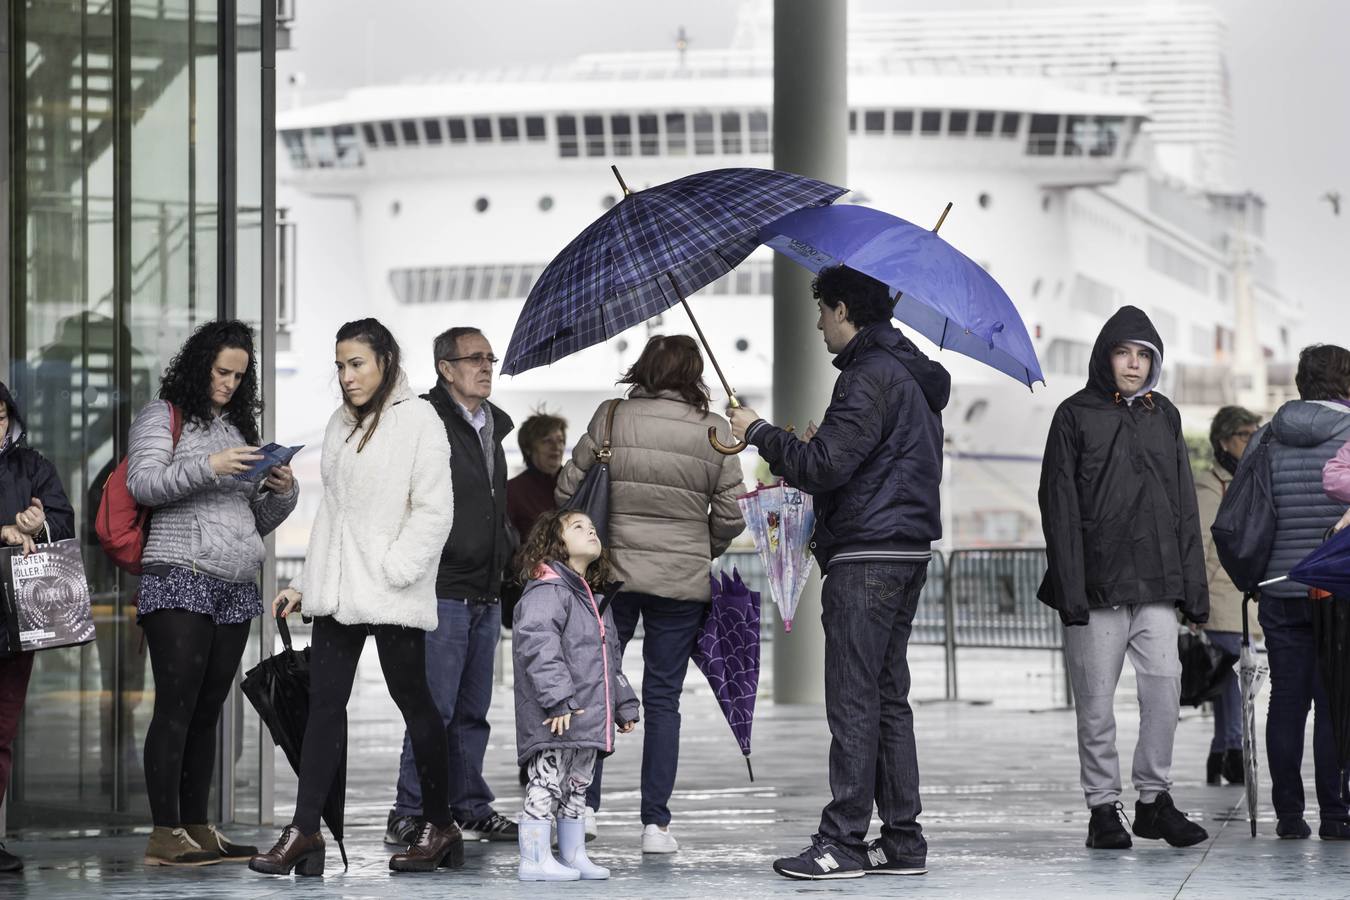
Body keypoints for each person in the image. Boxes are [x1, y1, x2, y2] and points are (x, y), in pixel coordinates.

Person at [728, 265, 947, 881]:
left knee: (853, 699)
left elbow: (825, 467)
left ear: (845, 310)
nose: (820, 324)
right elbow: (853, 458)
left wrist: (759, 433)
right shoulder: (906, 374)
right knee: (886, 698)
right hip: (905, 550)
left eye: (824, 311)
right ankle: (902, 841)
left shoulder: (869, 376)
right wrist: (816, 447)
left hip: (866, 555)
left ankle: (843, 842)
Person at [251, 318, 460, 876]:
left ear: (386, 360)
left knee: (415, 704)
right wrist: (306, 585)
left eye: (357, 364)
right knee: (323, 707)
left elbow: (435, 510)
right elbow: (333, 515)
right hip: (340, 591)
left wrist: (395, 569)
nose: (346, 377)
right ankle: (305, 831)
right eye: (340, 366)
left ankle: (439, 823)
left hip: (392, 588)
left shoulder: (420, 421)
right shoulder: (339, 424)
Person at [558, 334, 744, 853]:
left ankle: (583, 808)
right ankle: (655, 827)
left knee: (594, 687)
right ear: (693, 374)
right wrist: (694, 550)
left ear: (642, 369)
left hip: (610, 576)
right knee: (663, 700)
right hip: (680, 585)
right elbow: (730, 516)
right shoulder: (716, 431)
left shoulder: (612, 416)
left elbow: (566, 493)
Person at [125, 320, 298, 866]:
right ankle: (163, 832)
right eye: (221, 371)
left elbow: (250, 518)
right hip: (178, 571)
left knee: (207, 711)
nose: (228, 383)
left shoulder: (237, 427)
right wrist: (211, 466)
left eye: (238, 375)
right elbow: (144, 482)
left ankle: (198, 828)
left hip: (232, 583)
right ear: (200, 364)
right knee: (175, 707)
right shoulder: (162, 416)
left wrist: (282, 491)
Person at [1038, 306, 1209, 851]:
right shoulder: (1072, 415)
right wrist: (1070, 588)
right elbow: (1057, 503)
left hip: (1157, 584)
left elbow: (1184, 503)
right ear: (1104, 356)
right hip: (1096, 586)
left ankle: (1153, 801)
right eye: (1124, 352)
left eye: (1144, 355)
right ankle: (1102, 808)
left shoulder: (1166, 415)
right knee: (1095, 701)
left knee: (1165, 691)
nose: (1134, 364)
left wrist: (1193, 590)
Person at [385, 326, 518, 848]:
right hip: (440, 588)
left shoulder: (493, 426)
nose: (486, 366)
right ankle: (410, 809)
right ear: (446, 368)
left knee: (471, 712)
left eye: (490, 357)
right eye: (474, 358)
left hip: (486, 589)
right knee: (432, 709)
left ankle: (469, 806)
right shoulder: (423, 420)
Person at [1250, 343, 1350, 840]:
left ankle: (1289, 816)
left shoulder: (1268, 436)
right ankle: (1336, 815)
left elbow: (1244, 505)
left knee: (1287, 700)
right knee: (1334, 701)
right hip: (1337, 586)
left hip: (1279, 583)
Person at [511, 509, 639, 881]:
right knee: (546, 782)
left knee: (577, 785)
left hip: (586, 714)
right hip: (558, 712)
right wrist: (557, 698)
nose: (590, 531)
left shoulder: (593, 599)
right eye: (578, 527)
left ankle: (573, 854)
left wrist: (624, 703)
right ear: (556, 543)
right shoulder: (548, 589)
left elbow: (609, 659)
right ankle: (533, 860)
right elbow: (537, 643)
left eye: (593, 527)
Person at [0, 382, 75, 874]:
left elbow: (64, 524)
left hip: (13, 622)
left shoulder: (31, 465)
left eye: (0, 415)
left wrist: (36, 525)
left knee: (1, 735)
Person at [1194, 406, 1261, 785]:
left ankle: (1221, 752)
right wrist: (1197, 599)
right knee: (1237, 678)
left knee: (1229, 679)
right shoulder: (1210, 485)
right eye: (1244, 435)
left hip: (1241, 597)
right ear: (1223, 441)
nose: (1251, 440)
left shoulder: (1246, 478)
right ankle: (1233, 753)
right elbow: (1202, 544)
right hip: (1219, 597)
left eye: (1255, 433)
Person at [507, 411, 568, 543]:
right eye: (547, 441)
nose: (556, 447)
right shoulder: (512, 491)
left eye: (560, 440)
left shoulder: (577, 485)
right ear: (528, 448)